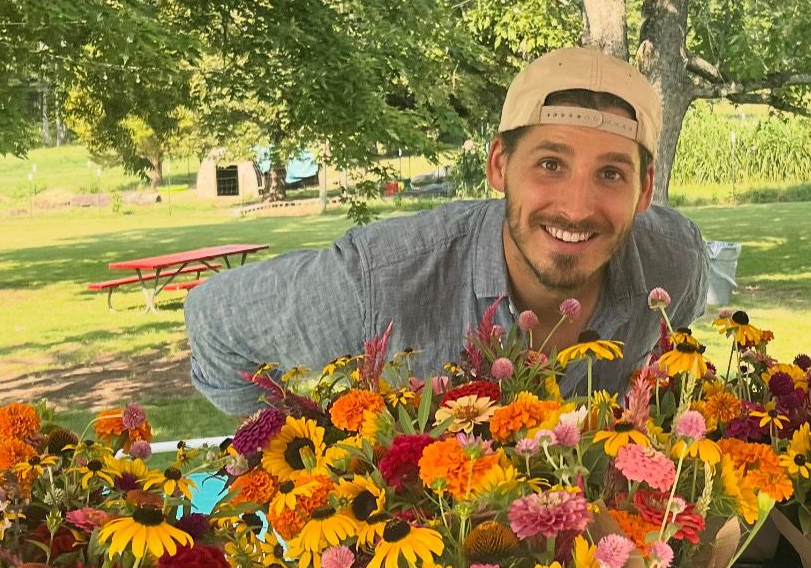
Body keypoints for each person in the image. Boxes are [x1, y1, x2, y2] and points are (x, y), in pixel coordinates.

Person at [186, 48, 706, 416]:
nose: (577, 207)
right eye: (550, 164)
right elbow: (214, 319)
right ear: (499, 165)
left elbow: (668, 356)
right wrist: (292, 447)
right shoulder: (378, 281)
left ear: (645, 190)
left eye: (611, 173)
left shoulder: (675, 262)